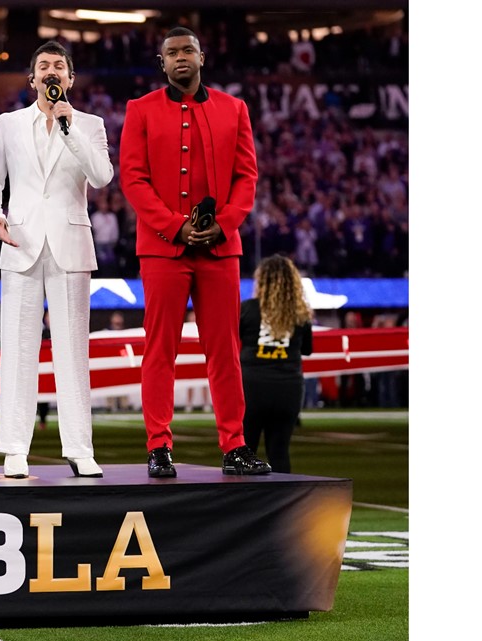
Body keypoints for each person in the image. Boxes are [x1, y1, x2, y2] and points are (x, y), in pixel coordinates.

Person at [118, 26, 270, 477]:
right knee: (159, 348)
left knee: (224, 348)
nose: (180, 57)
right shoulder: (140, 110)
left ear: (202, 57)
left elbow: (247, 178)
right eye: (171, 52)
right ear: (161, 63)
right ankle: (159, 446)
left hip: (220, 250)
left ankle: (235, 445)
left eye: (187, 50)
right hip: (164, 250)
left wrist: (222, 226)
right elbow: (133, 179)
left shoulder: (234, 109)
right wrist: (175, 228)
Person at [0, 40, 113, 479]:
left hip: (70, 246)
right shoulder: (8, 124)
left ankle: (80, 448)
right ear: (32, 78)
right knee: (18, 349)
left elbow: (102, 176)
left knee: (73, 350)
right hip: (20, 244)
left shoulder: (89, 124)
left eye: (59, 66)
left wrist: (69, 128)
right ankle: (15, 448)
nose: (51, 71)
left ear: (70, 79)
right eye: (43, 66)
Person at [240, 255, 313, 474]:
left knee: (244, 452)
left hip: (252, 386)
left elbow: (233, 341)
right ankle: (283, 507)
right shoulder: (301, 314)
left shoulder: (248, 309)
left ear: (261, 281)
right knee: (279, 451)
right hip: (288, 388)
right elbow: (307, 349)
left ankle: (241, 506)